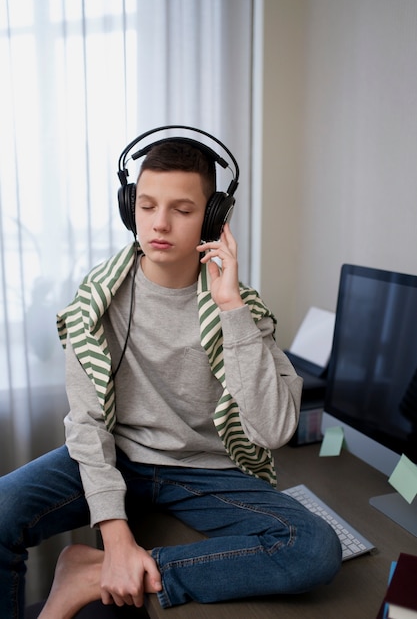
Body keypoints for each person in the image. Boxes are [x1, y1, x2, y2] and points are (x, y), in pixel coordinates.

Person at [0, 131, 342, 618]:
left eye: (182, 210)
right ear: (129, 208)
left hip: (205, 471)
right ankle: (105, 565)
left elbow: (275, 429)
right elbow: (88, 423)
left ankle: (91, 574)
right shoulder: (95, 302)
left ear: (213, 216)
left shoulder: (241, 309)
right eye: (146, 205)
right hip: (120, 453)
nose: (159, 224)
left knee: (314, 549)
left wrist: (231, 309)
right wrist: (116, 534)